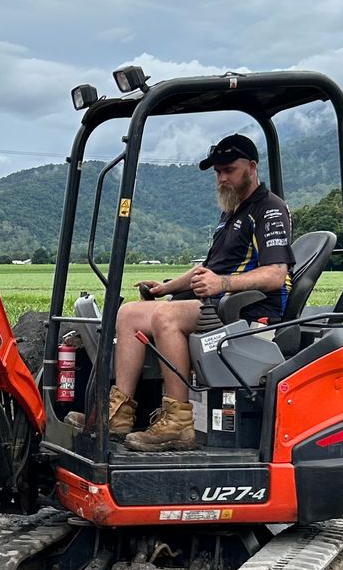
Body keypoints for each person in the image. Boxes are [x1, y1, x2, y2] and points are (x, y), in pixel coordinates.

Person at [75, 133, 293, 452]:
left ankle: (178, 423)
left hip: (249, 313)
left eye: (228, 170)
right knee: (130, 313)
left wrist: (223, 284)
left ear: (252, 167)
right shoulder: (232, 212)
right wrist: (165, 288)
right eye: (218, 172)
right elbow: (203, 270)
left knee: (167, 316)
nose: (221, 178)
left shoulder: (269, 210)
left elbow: (276, 275)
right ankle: (119, 414)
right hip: (217, 305)